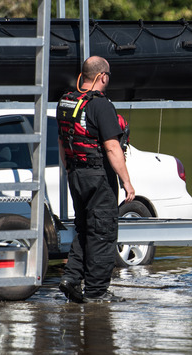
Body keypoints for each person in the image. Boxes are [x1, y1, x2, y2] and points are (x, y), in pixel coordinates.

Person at [56, 56, 135, 303]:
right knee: (102, 234)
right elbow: (112, 147)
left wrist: (69, 168)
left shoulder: (66, 101)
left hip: (76, 174)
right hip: (98, 176)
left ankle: (70, 280)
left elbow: (62, 140)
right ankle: (96, 293)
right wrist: (126, 182)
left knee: (84, 229)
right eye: (108, 75)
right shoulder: (101, 106)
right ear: (103, 76)